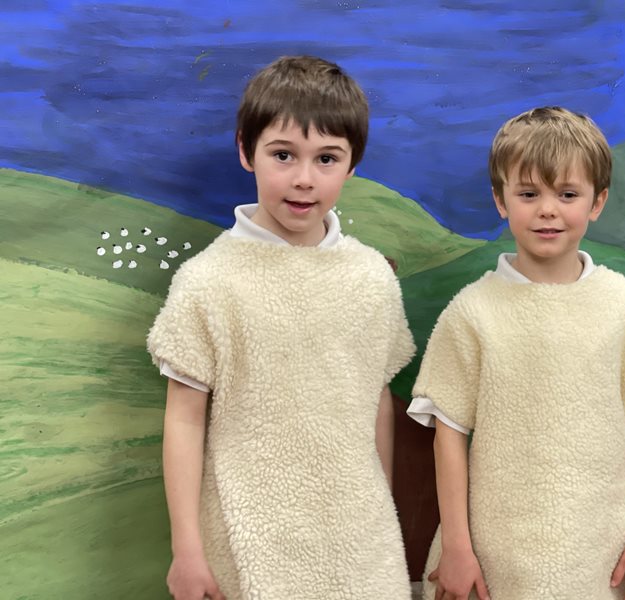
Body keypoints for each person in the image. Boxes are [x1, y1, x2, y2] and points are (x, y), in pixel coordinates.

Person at [147, 55, 415, 600]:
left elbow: (378, 403)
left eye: (327, 158)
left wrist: (381, 511)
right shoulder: (208, 281)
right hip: (248, 545)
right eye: (283, 154)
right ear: (247, 151)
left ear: (352, 164)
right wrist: (187, 551)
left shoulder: (371, 278)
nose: (303, 179)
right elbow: (184, 419)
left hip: (359, 544)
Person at [407, 106, 625, 600]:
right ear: (501, 200)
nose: (548, 210)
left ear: (597, 202)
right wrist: (457, 546)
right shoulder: (472, 312)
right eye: (529, 194)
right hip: (499, 549)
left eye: (567, 194)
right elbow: (448, 433)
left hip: (606, 545)